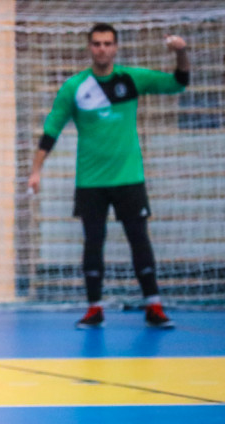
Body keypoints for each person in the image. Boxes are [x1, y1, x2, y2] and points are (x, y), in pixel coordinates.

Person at [28, 23, 189, 329]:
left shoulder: (131, 79)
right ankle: (94, 309)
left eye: (108, 43)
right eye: (97, 44)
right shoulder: (75, 87)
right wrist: (36, 170)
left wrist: (181, 52)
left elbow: (179, 83)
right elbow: (51, 130)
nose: (102, 48)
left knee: (139, 240)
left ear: (115, 48)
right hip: (91, 183)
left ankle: (154, 306)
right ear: (89, 48)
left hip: (129, 178)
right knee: (93, 243)